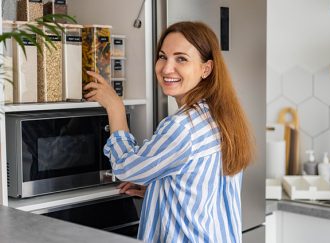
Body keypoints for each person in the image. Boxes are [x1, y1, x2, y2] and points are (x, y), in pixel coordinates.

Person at [84, 21, 255, 243]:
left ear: (206, 69)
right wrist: (160, 188)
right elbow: (203, 187)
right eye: (163, 56)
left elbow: (125, 168)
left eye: (181, 58)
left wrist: (115, 108)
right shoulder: (221, 117)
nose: (166, 68)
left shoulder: (182, 127)